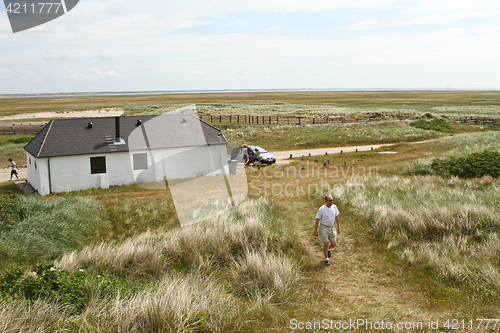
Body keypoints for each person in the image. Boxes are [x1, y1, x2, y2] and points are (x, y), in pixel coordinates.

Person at [314, 195, 340, 266]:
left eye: (332, 200)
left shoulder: (334, 207)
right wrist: (315, 230)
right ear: (326, 201)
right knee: (325, 243)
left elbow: (337, 217)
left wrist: (338, 227)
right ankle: (326, 259)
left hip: (331, 227)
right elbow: (317, 220)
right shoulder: (322, 209)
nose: (332, 202)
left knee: (334, 243)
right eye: (330, 200)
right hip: (323, 228)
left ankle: (327, 249)